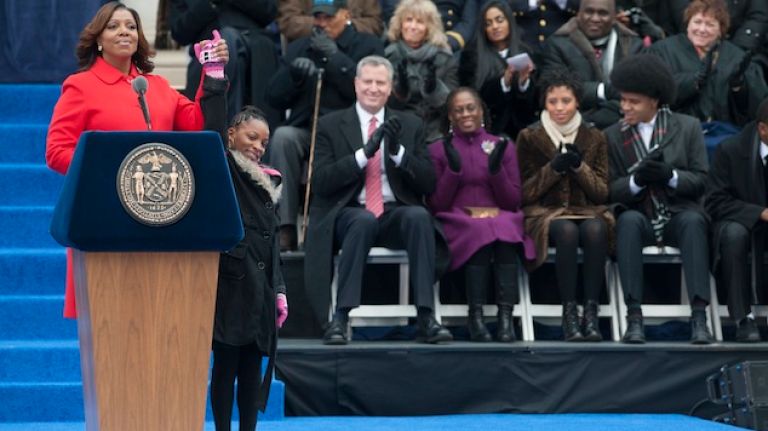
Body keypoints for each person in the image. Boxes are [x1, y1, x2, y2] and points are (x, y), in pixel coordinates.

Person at [45, 1, 228, 319]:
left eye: (131, 26)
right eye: (114, 26)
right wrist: (107, 170)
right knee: (112, 317)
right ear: (99, 38)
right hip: (104, 215)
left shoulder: (156, 87)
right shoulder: (81, 86)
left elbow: (198, 125)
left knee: (159, 314)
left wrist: (211, 76)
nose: (124, 32)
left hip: (159, 215)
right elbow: (57, 151)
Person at [304, 55, 453, 345]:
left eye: (380, 82)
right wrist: (363, 155)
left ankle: (426, 316)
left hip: (393, 212)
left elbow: (428, 182)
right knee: (362, 220)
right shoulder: (330, 124)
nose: (373, 88)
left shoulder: (409, 124)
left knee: (419, 216)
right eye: (368, 82)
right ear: (356, 84)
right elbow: (321, 182)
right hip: (348, 212)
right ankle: (340, 318)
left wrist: (397, 153)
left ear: (390, 87)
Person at [605, 54, 714, 345]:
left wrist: (670, 175)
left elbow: (702, 180)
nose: (625, 106)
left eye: (634, 101)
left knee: (693, 222)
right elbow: (608, 190)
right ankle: (634, 318)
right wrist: (635, 182)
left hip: (678, 213)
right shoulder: (612, 135)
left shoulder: (688, 127)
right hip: (639, 213)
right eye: (623, 99)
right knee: (626, 221)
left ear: (654, 100)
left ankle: (700, 318)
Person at [266, 0, 384, 251]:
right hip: (308, 130)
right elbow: (272, 97)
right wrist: (293, 76)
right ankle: (285, 227)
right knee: (283, 137)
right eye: (317, 17)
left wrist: (335, 58)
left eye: (328, 18)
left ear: (346, 14)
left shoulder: (367, 45)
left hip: (347, 134)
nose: (321, 24)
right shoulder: (301, 46)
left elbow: (369, 95)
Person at [202, 104, 289, 431]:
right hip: (232, 285)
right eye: (252, 137)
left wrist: (279, 290)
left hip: (262, 288)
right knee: (225, 365)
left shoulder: (271, 179)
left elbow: (273, 242)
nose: (258, 146)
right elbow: (210, 132)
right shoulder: (225, 168)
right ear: (232, 134)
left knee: (252, 368)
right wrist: (214, 82)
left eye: (264, 142)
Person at [427, 87, 536, 342]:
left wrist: (496, 171)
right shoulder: (438, 150)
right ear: (450, 117)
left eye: (471, 108)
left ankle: (505, 319)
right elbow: (437, 204)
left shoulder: (502, 146)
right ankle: (475, 317)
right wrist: (452, 172)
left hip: (499, 214)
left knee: (505, 227)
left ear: (481, 112)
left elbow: (512, 202)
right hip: (457, 218)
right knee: (481, 231)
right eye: (458, 110)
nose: (465, 114)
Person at [516, 69, 614, 342]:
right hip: (545, 213)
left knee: (596, 229)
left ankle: (590, 312)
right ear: (544, 104)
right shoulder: (529, 136)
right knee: (567, 231)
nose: (559, 108)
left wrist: (579, 167)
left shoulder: (595, 137)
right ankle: (569, 312)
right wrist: (554, 168)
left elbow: (602, 192)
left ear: (577, 102)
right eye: (553, 102)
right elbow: (523, 193)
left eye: (566, 101)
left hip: (586, 210)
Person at [649, 0, 768, 152]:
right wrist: (695, 80)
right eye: (697, 22)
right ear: (688, 24)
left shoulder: (736, 57)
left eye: (710, 24)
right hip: (676, 133)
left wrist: (739, 87)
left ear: (721, 31)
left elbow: (757, 107)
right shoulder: (664, 51)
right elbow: (656, 92)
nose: (702, 29)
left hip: (725, 134)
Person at [705, 98, 768, 343]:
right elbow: (715, 201)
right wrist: (759, 213)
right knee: (734, 235)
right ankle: (743, 318)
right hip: (739, 220)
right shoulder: (730, 150)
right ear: (762, 128)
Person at [168, 0, 280, 127]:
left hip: (255, 45)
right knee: (225, 42)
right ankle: (229, 133)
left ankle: (230, 132)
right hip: (207, 50)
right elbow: (179, 32)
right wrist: (210, 4)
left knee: (229, 42)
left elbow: (269, 11)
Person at [540, 0, 644, 129]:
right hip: (572, 123)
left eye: (603, 13)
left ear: (614, 17)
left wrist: (608, 111)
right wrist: (605, 91)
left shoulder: (633, 46)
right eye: (589, 12)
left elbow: (637, 90)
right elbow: (555, 89)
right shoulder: (557, 44)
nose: (595, 18)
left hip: (622, 120)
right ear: (578, 14)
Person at [458, 0, 536, 140]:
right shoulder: (472, 55)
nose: (495, 26)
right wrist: (503, 83)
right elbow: (472, 95)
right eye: (488, 23)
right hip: (491, 129)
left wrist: (523, 83)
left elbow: (534, 102)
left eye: (499, 20)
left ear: (509, 21)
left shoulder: (526, 51)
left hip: (523, 128)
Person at [385, 0, 459, 141]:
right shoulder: (389, 55)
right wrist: (400, 91)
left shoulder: (444, 56)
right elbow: (383, 104)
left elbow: (453, 105)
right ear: (400, 24)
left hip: (436, 131)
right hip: (400, 130)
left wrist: (434, 89)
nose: (413, 26)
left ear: (429, 28)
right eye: (408, 20)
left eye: (420, 22)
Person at [277, 0, 383, 42]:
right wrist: (322, 23)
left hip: (354, 50)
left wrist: (345, 24)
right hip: (309, 46)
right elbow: (288, 22)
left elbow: (375, 24)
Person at [509, 0, 580, 52]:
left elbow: (585, 7)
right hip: (526, 48)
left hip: (562, 50)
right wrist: (532, 2)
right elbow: (502, 6)